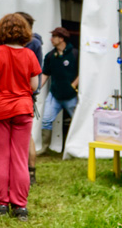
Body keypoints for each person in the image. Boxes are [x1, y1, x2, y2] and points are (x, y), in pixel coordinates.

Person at [0, 13, 41, 221]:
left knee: (0, 157)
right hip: (23, 110)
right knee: (19, 158)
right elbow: (34, 86)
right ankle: (20, 206)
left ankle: (2, 204)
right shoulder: (30, 55)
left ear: (1, 31)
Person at [38, 27, 79, 156]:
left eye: (53, 36)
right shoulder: (50, 56)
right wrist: (37, 88)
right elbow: (45, 74)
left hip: (71, 96)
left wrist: (73, 85)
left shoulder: (75, 53)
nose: (51, 39)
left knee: (77, 120)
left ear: (61, 38)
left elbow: (82, 72)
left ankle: (75, 148)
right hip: (54, 95)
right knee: (46, 120)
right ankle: (45, 148)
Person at [15, 12, 42, 185]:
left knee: (26, 134)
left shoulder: (31, 43)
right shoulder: (36, 43)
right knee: (27, 133)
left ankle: (29, 171)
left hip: (23, 93)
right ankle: (29, 172)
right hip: (28, 93)